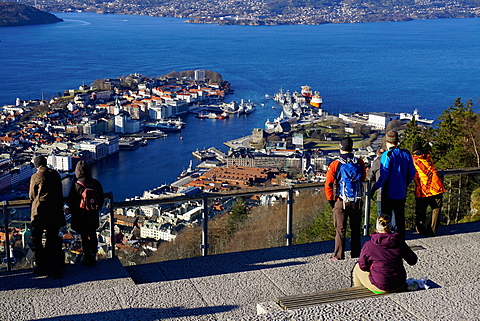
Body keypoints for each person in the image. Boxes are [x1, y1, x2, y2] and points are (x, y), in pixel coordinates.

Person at [325, 137, 366, 261]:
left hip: (340, 200)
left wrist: (331, 201)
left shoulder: (335, 164)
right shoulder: (359, 162)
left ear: (340, 147)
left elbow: (328, 184)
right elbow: (363, 178)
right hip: (356, 200)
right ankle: (356, 254)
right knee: (355, 228)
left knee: (340, 229)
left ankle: (338, 255)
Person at [353, 214, 418, 293]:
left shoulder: (369, 245)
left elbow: (363, 266)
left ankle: (358, 293)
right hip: (399, 283)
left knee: (357, 267)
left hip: (381, 285)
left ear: (377, 227)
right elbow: (412, 260)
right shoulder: (399, 241)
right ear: (391, 226)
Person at [371, 131, 415, 239]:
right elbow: (412, 172)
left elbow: (384, 176)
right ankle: (400, 242)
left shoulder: (387, 155)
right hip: (401, 191)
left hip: (388, 192)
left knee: (386, 220)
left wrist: (374, 188)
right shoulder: (406, 153)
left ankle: (386, 242)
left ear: (387, 141)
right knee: (400, 219)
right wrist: (405, 183)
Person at [29, 155, 66, 278]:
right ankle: (54, 267)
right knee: (52, 239)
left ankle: (42, 266)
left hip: (41, 212)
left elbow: (32, 195)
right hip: (55, 211)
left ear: (36, 165)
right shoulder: (55, 174)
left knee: (37, 239)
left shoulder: (36, 177)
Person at [67, 161, 104, 267]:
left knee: (84, 235)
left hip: (81, 215)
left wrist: (74, 212)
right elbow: (101, 198)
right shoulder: (95, 183)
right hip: (92, 214)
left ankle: (86, 255)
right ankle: (93, 255)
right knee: (92, 234)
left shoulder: (76, 185)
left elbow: (71, 201)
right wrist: (96, 208)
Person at [411, 142, 446, 236]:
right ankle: (432, 230)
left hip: (423, 188)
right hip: (435, 186)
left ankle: (420, 228)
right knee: (436, 209)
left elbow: (412, 174)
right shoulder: (428, 157)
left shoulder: (413, 160)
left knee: (421, 210)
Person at [368, 148, 385, 217]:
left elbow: (370, 176)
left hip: (381, 193)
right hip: (394, 193)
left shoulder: (377, 162)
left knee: (381, 215)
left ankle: (381, 227)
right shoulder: (393, 161)